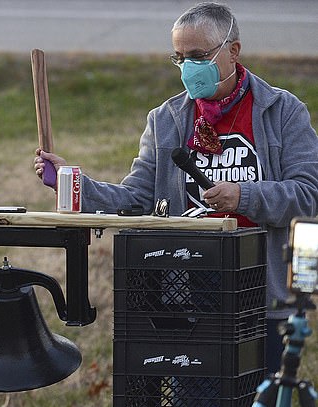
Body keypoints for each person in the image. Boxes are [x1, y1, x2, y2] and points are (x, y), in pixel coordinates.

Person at [34, 2, 318, 375]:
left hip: (261, 295)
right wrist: (73, 184)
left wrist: (243, 196)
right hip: (186, 297)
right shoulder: (166, 120)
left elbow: (308, 196)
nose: (188, 68)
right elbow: (137, 199)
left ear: (233, 51)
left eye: (198, 56)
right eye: (179, 58)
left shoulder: (282, 111)